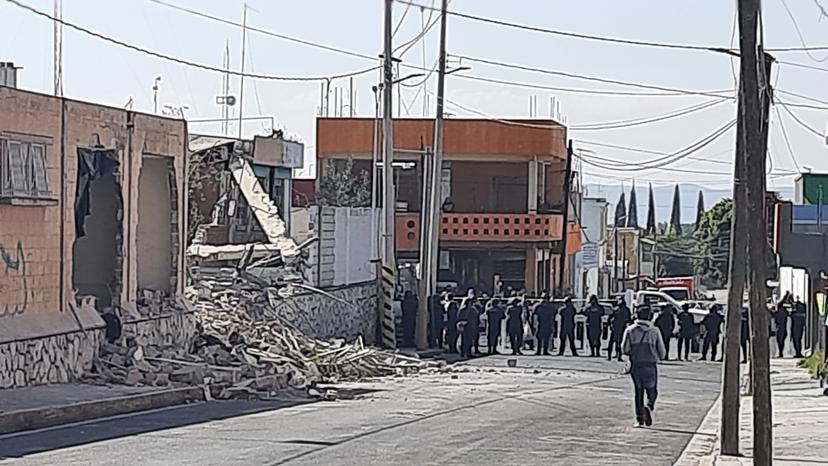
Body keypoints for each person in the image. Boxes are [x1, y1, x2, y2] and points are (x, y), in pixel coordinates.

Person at [622, 305, 666, 427]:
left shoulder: (630, 330)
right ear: (650, 316)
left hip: (636, 364)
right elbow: (662, 350)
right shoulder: (654, 330)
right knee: (652, 390)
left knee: (638, 391)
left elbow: (624, 348)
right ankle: (649, 405)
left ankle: (639, 419)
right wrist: (660, 356)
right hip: (650, 364)